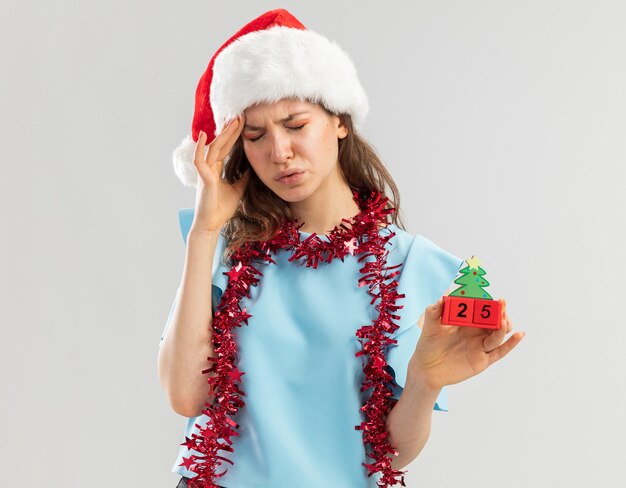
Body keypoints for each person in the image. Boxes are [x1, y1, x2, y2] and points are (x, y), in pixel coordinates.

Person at [157, 8, 524, 488]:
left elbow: (390, 453)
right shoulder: (226, 247)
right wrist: (205, 235)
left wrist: (423, 382)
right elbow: (186, 396)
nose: (279, 152)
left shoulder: (407, 264)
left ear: (339, 121)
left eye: (295, 124)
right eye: (255, 136)